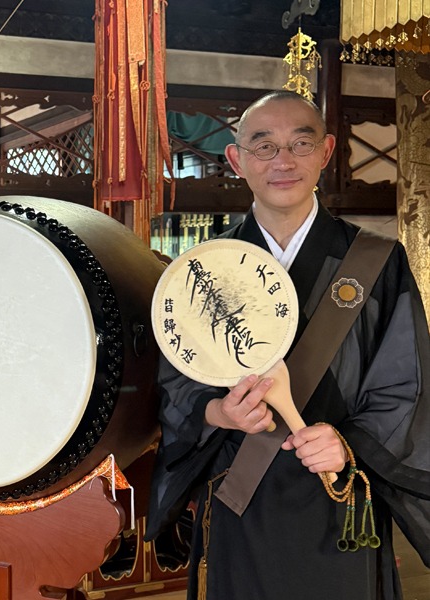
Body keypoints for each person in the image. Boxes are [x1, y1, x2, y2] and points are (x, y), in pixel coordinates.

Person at [145, 90, 430, 600]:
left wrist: (348, 443)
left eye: (301, 144)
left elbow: (408, 388)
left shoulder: (377, 261)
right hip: (239, 495)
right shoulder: (203, 269)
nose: (283, 161)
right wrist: (218, 413)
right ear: (237, 160)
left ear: (326, 152)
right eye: (264, 146)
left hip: (339, 493)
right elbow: (175, 386)